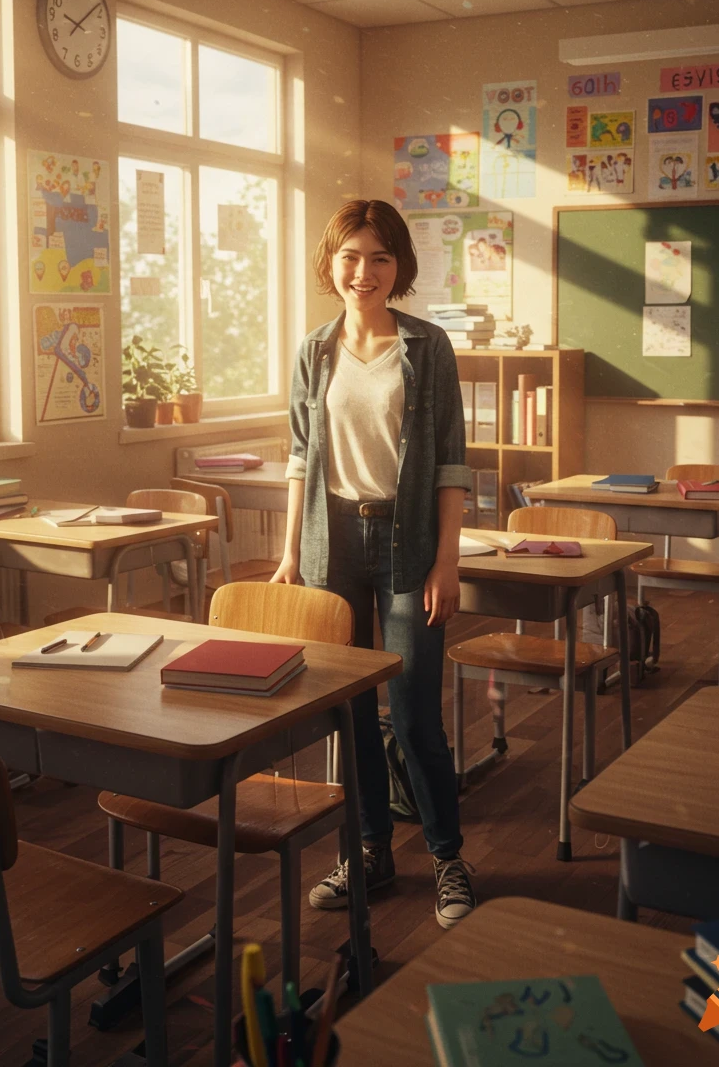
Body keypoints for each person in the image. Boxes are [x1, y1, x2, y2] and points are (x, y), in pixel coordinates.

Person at [271, 198, 476, 929]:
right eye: (351, 256)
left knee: (415, 713)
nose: (364, 271)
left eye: (380, 257)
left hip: (410, 545)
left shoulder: (428, 347)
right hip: (332, 548)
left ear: (399, 269)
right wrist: (292, 552)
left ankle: (449, 856)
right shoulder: (313, 351)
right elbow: (299, 457)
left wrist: (446, 563)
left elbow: (452, 463)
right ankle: (368, 850)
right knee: (350, 714)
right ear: (332, 264)